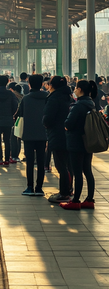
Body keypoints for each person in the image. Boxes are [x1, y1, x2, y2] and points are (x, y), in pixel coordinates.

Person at [61, 80, 97, 210]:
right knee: (87, 170)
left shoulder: (78, 106)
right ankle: (90, 199)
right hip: (89, 142)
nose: (74, 90)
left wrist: (66, 126)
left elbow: (69, 124)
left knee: (77, 172)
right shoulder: (91, 104)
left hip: (76, 142)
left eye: (76, 88)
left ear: (80, 89)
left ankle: (75, 200)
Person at [42, 76, 73, 203]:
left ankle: (64, 193)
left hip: (57, 135)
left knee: (61, 165)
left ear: (52, 86)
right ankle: (69, 189)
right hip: (69, 135)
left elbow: (48, 118)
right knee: (68, 165)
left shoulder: (53, 98)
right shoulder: (68, 97)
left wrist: (45, 123)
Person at [17, 74, 48, 196]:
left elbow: (20, 114)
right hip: (43, 134)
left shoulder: (26, 99)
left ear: (29, 84)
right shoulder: (47, 97)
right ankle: (39, 188)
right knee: (41, 162)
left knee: (29, 161)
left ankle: (29, 187)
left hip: (28, 135)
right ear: (42, 84)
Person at [8, 83, 23, 163]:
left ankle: (13, 155)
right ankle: (16, 155)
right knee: (18, 138)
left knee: (13, 138)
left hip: (14, 119)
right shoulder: (23, 97)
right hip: (21, 120)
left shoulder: (12, 96)